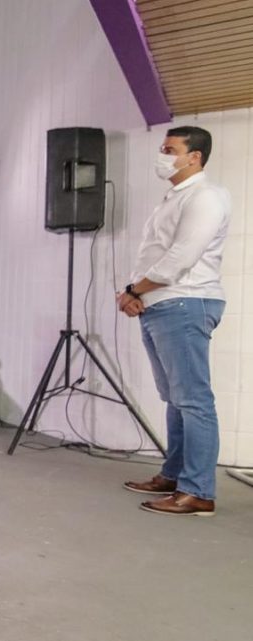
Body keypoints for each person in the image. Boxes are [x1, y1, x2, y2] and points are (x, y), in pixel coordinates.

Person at [119, 126, 230, 517]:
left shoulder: (206, 197)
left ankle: (198, 490)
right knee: (175, 399)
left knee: (194, 400)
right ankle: (175, 475)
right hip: (161, 304)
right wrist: (138, 294)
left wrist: (134, 289)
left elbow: (181, 257)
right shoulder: (174, 198)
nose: (162, 156)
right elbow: (157, 255)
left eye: (170, 150)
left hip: (186, 303)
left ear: (194, 156)